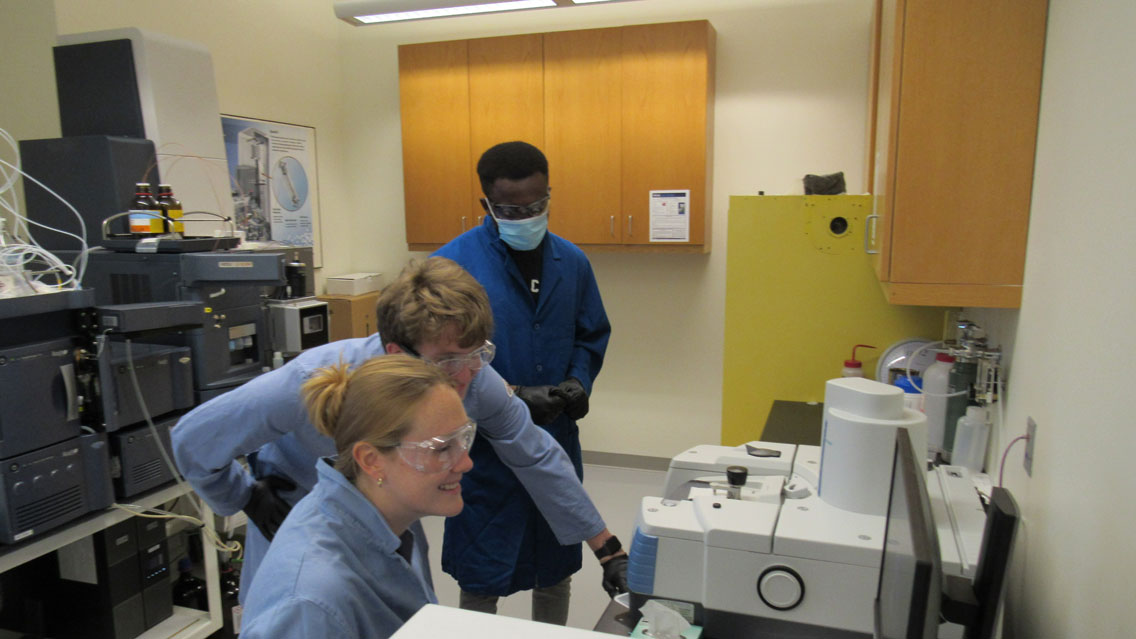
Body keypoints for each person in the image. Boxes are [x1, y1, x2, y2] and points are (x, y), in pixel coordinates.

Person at [171, 257, 627, 604]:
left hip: (391, 529)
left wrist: (606, 547)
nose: (467, 375)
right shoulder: (312, 380)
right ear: (397, 351)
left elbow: (533, 452)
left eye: (478, 355)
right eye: (450, 361)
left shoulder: (468, 374)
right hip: (299, 530)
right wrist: (243, 495)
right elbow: (193, 439)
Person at [433, 141, 612, 623]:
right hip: (483, 452)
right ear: (486, 206)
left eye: (537, 205)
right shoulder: (449, 269)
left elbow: (590, 332)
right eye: (513, 209)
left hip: (553, 436)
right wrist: (509, 396)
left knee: (556, 561)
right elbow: (433, 365)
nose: (528, 215)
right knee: (481, 572)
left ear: (549, 193)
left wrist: (578, 380)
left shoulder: (571, 262)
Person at [241, 355, 470, 638]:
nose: (465, 463)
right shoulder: (312, 604)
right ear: (371, 460)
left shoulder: (389, 515)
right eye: (441, 448)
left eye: (464, 438)